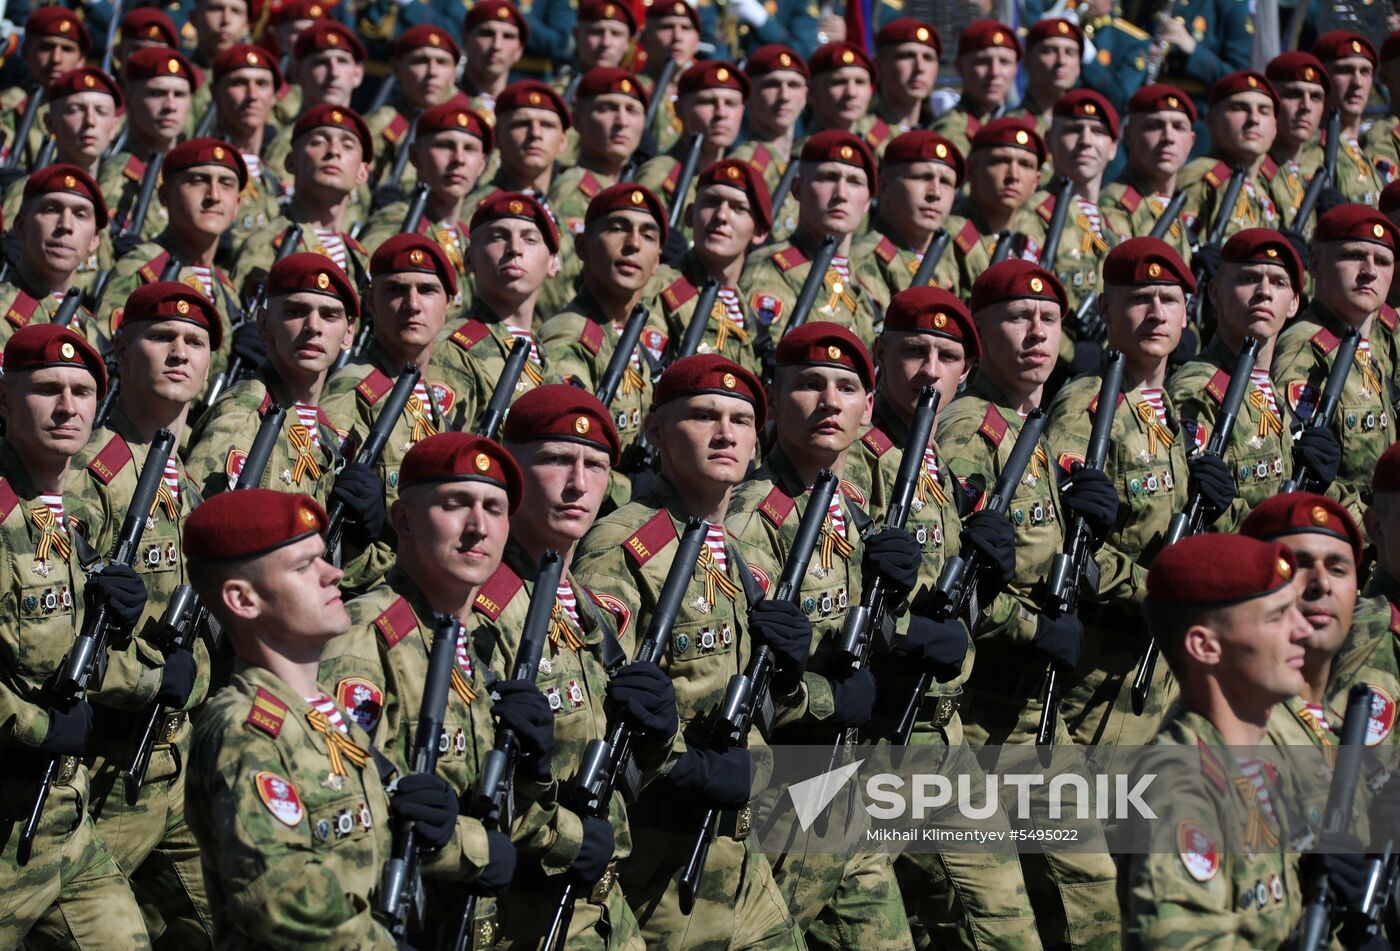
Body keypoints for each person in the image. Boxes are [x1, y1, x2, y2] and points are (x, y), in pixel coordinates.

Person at [571, 354, 806, 950]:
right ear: (654, 432)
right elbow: (600, 701)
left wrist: (790, 684)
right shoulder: (623, 543)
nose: (725, 433)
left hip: (745, 855)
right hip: (665, 867)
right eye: (703, 416)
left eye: (740, 420)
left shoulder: (745, 546)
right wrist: (682, 765)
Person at [937, 259, 1132, 949]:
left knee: (1074, 886)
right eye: (1017, 318)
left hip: (1029, 705)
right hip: (993, 705)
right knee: (1072, 890)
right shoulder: (971, 430)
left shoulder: (1029, 427)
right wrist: (1035, 625)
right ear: (981, 334)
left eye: (1048, 319)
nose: (1036, 333)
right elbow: (953, 582)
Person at [183, 488, 467, 947]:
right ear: (243, 599)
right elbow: (280, 898)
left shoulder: (328, 717)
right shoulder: (247, 728)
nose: (334, 573)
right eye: (303, 567)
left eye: (323, 558)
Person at [726, 322, 920, 947]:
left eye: (846, 387)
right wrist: (824, 696)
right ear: (774, 401)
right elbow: (731, 686)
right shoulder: (748, 519)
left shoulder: (854, 502)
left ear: (869, 406)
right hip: (788, 787)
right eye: (809, 384)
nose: (830, 401)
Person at [862, 286, 1042, 949]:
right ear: (882, 355)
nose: (928, 369)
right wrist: (905, 634)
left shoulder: (934, 455)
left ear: (966, 372)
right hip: (869, 741)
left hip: (944, 730)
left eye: (945, 355)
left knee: (1008, 927)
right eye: (912, 351)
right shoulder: (853, 456)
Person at [492, 387, 682, 948]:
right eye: (555, 460)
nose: (578, 484)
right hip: (520, 917)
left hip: (601, 908)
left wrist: (659, 738)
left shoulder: (591, 611)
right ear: (513, 467)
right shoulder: (489, 608)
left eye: (595, 466)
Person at [68, 282, 223, 945]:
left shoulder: (178, 473)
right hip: (104, 768)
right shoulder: (87, 473)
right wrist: (153, 673)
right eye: (162, 338)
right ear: (121, 351)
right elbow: (54, 637)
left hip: (175, 765)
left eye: (194, 342)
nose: (179, 352)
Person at [0, 324, 152, 948]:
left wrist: (129, 633)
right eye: (46, 389)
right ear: (4, 402)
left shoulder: (72, 515)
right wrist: (36, 727)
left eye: (83, 391)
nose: (68, 407)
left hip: (67, 818)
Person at [1047, 238, 1232, 746]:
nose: (1156, 313)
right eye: (1139, 298)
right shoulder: (1087, 407)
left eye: (1169, 300)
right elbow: (1063, 550)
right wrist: (1158, 591)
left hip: (1160, 673)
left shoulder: (1164, 404)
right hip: (1102, 684)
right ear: (1106, 307)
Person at [184, 254, 384, 586]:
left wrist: (356, 542)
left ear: (349, 333)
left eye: (330, 315)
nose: (314, 326)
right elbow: (203, 535)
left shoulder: (330, 434)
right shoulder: (246, 412)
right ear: (264, 324)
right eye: (295, 311)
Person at [321, 234, 484, 587]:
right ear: (371, 301)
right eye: (396, 289)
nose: (412, 304)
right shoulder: (354, 390)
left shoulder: (434, 388)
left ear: (450, 302)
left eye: (427, 290)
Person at [1245, 493, 1400, 841]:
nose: (1322, 583)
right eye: (1297, 565)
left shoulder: (1328, 737)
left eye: (1338, 568)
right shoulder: (1226, 739)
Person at [1168, 228, 1342, 530]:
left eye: (1279, 282)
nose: (1264, 291)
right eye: (1249, 278)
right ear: (1215, 293)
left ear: (1293, 304)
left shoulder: (1268, 390)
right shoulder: (1198, 388)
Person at [1272, 204, 1398, 524]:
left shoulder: (1358, 346)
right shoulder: (1306, 348)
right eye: (1354, 256)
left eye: (1383, 260)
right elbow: (1294, 472)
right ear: (1315, 263)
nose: (1370, 270)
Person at [540, 184, 668, 478]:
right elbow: (566, 453)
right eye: (617, 229)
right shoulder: (569, 334)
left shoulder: (648, 329)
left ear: (657, 260)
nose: (633, 243)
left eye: (647, 235)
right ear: (583, 246)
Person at [96, 138, 246, 375]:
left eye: (226, 184)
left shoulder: (228, 290)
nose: (214, 195)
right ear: (165, 195)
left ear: (237, 203)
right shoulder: (142, 268)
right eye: (198, 181)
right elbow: (110, 359)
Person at [740, 130, 882, 347]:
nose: (841, 194)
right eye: (828, 178)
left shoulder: (864, 280)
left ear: (867, 202)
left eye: (854, 182)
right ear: (797, 189)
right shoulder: (773, 267)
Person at [357, 100, 494, 308]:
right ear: (414, 155)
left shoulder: (469, 236)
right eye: (445, 146)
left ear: (482, 164)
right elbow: (368, 295)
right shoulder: (397, 222)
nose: (459, 159)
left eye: (470, 149)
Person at [231, 104, 373, 301]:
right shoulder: (269, 244)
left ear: (362, 172)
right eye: (318, 142)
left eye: (347, 145)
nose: (333, 151)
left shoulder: (360, 257)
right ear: (290, 162)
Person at [466, 79, 579, 316]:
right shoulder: (476, 212)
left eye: (547, 125)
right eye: (521, 124)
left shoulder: (573, 205)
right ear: (497, 136)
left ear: (563, 141)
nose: (535, 134)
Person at [651, 158, 770, 376]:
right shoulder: (658, 289)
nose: (721, 216)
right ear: (689, 215)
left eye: (738, 208)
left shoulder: (752, 310)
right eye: (711, 202)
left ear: (760, 231)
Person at [448, 191, 561, 410]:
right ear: (468, 259)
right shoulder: (454, 350)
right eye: (498, 237)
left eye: (530, 239)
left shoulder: (545, 355)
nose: (515, 249)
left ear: (553, 264)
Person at [1022, 89, 1122, 317]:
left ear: (1113, 147)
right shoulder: (1033, 214)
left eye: (1097, 131)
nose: (1086, 141)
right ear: (1049, 140)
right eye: (1073, 130)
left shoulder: (1115, 223)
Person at [261, 21, 369, 218]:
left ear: (358, 74)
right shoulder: (290, 143)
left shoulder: (368, 139)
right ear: (297, 73)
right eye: (321, 62)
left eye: (342, 61)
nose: (334, 73)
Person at [0, 164, 107, 353]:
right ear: (20, 226)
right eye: (51, 209)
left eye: (80, 214)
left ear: (94, 240)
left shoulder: (96, 335)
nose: (65, 225)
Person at [97, 48, 199, 243]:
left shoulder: (197, 171)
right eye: (157, 93)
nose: (170, 106)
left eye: (179, 95)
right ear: (130, 98)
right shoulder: (119, 172)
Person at [1, 67, 123, 229]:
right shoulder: (26, 192)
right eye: (76, 109)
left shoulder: (123, 193)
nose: (90, 121)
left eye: (101, 111)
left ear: (114, 127)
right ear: (49, 123)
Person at [852, 130, 967, 303]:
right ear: (884, 187)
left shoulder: (955, 255)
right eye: (922, 178)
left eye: (945, 182)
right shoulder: (860, 261)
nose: (935, 193)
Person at [1177, 71, 1287, 251]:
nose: (1254, 119)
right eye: (1239, 108)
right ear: (1211, 121)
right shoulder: (1201, 179)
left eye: (1264, 110)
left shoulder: (1269, 186)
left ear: (1275, 126)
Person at [636, 61, 747, 225]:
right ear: (679, 109)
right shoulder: (660, 174)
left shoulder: (740, 178)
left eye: (730, 103)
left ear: (742, 111)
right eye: (708, 102)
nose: (721, 113)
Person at [1099, 84, 1198, 266]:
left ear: (1192, 141)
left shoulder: (1182, 198)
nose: (1168, 137)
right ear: (1128, 135)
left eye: (1178, 127)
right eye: (1155, 126)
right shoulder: (1115, 204)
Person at [363, 25, 465, 193]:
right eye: (420, 61)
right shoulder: (380, 124)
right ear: (396, 68)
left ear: (454, 72)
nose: (432, 72)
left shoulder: (476, 119)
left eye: (442, 62)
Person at [949, 118, 1045, 290]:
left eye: (1025, 164)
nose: (1013, 175)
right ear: (971, 171)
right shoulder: (948, 236)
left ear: (1035, 182)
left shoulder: (1036, 237)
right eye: (1000, 161)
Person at [729, 45, 808, 239]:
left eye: (793, 85)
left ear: (806, 96)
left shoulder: (805, 157)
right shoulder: (745, 162)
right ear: (750, 94)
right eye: (772, 85)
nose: (784, 96)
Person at [209, 44, 286, 242]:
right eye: (239, 83)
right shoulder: (202, 169)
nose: (252, 95)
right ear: (215, 93)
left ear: (275, 97)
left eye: (261, 84)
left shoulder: (274, 178)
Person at [0, 8, 92, 169]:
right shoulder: (5, 107)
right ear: (26, 51)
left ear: (81, 60)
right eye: (46, 47)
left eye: (67, 49)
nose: (56, 59)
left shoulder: (93, 116)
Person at [1311, 32, 1385, 208]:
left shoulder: (1369, 150)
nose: (1357, 82)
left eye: (1365, 72)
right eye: (1345, 71)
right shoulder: (1312, 152)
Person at [1264, 52, 1333, 233]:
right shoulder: (1254, 171)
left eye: (1316, 97)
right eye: (1294, 94)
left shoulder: (1323, 162)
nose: (1306, 106)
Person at [930, 20, 1020, 158]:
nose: (995, 72)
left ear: (1016, 69)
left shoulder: (1014, 122)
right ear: (960, 67)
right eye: (983, 61)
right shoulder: (951, 130)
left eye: (1004, 62)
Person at [637, 1, 701, 155]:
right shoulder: (636, 91)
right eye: (666, 27)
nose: (677, 37)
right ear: (644, 37)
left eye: (686, 28)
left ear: (697, 41)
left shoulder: (704, 94)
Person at [867, 19, 940, 149]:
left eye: (928, 58)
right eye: (907, 56)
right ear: (879, 66)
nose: (920, 68)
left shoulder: (942, 131)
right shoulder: (866, 136)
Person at [1010, 19, 1083, 138]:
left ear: (1079, 65)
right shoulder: (1013, 125)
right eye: (1049, 51)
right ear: (1028, 61)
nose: (1061, 61)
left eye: (1070, 52)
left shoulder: (1083, 128)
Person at [459, 0, 528, 124]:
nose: (497, 45)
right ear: (465, 40)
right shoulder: (442, 100)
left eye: (508, 36)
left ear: (519, 51)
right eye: (487, 34)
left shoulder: (525, 111)